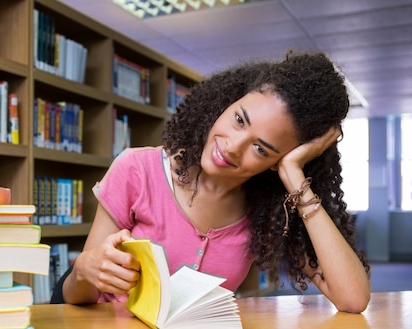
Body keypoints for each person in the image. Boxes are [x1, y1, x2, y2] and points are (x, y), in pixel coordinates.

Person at [58, 50, 371, 313]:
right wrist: (85, 271)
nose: (233, 146)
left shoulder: (269, 212)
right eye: (238, 120)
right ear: (226, 103)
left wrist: (294, 175)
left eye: (261, 149)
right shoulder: (137, 169)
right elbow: (77, 296)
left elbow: (353, 298)